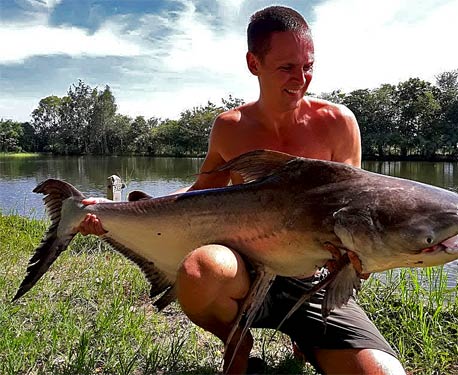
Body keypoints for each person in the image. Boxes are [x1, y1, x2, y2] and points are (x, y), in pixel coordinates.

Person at [78, 6, 406, 375]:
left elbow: (357, 214)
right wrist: (118, 211)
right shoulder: (230, 127)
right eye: (286, 67)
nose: (301, 78)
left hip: (315, 280)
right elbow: (201, 193)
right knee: (200, 270)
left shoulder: (338, 124)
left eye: (308, 66)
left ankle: (306, 334)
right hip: (246, 270)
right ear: (254, 63)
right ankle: (236, 340)